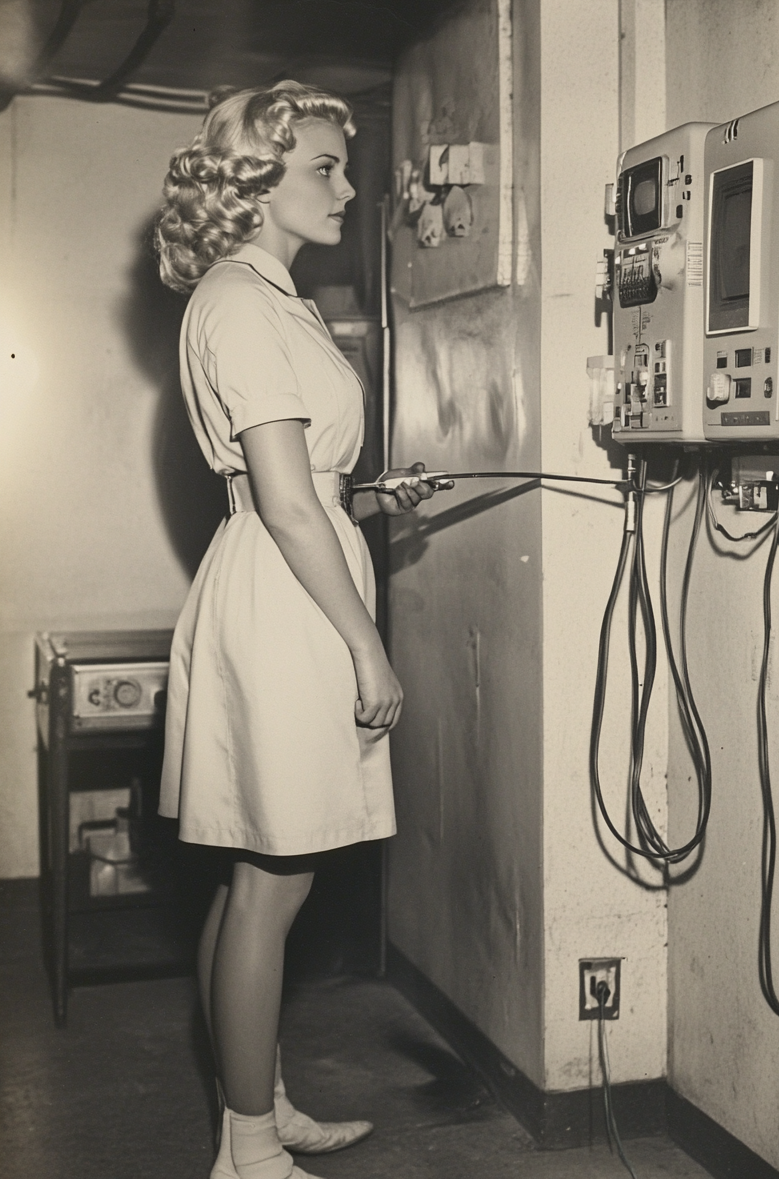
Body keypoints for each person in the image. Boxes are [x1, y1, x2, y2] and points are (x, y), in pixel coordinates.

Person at [155, 81, 442, 1179]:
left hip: (285, 578)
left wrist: (370, 500)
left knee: (260, 886)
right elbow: (279, 501)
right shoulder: (238, 299)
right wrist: (369, 644)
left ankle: (257, 1106)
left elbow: (297, 487)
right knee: (272, 887)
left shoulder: (268, 295)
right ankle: (249, 1150)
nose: (349, 187)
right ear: (258, 182)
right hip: (287, 603)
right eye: (325, 167)